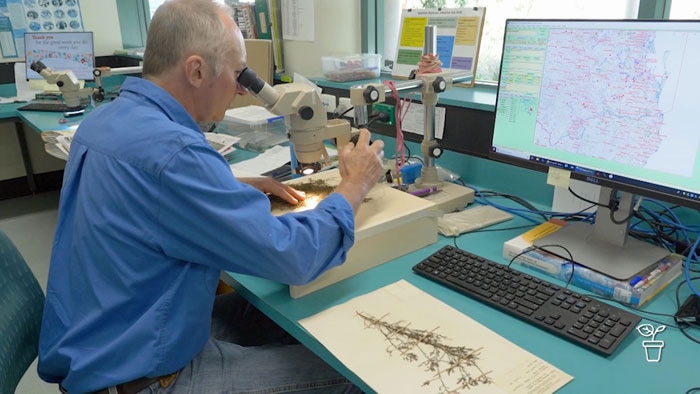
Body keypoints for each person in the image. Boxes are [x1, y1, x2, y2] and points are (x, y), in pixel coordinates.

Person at [37, 0, 385, 392]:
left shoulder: (103, 121)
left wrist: (224, 189)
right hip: (146, 373)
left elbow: (137, 199)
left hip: (108, 336)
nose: (240, 88)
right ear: (197, 70)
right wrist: (354, 185)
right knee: (355, 375)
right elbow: (295, 256)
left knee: (285, 311)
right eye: (238, 73)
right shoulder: (175, 153)